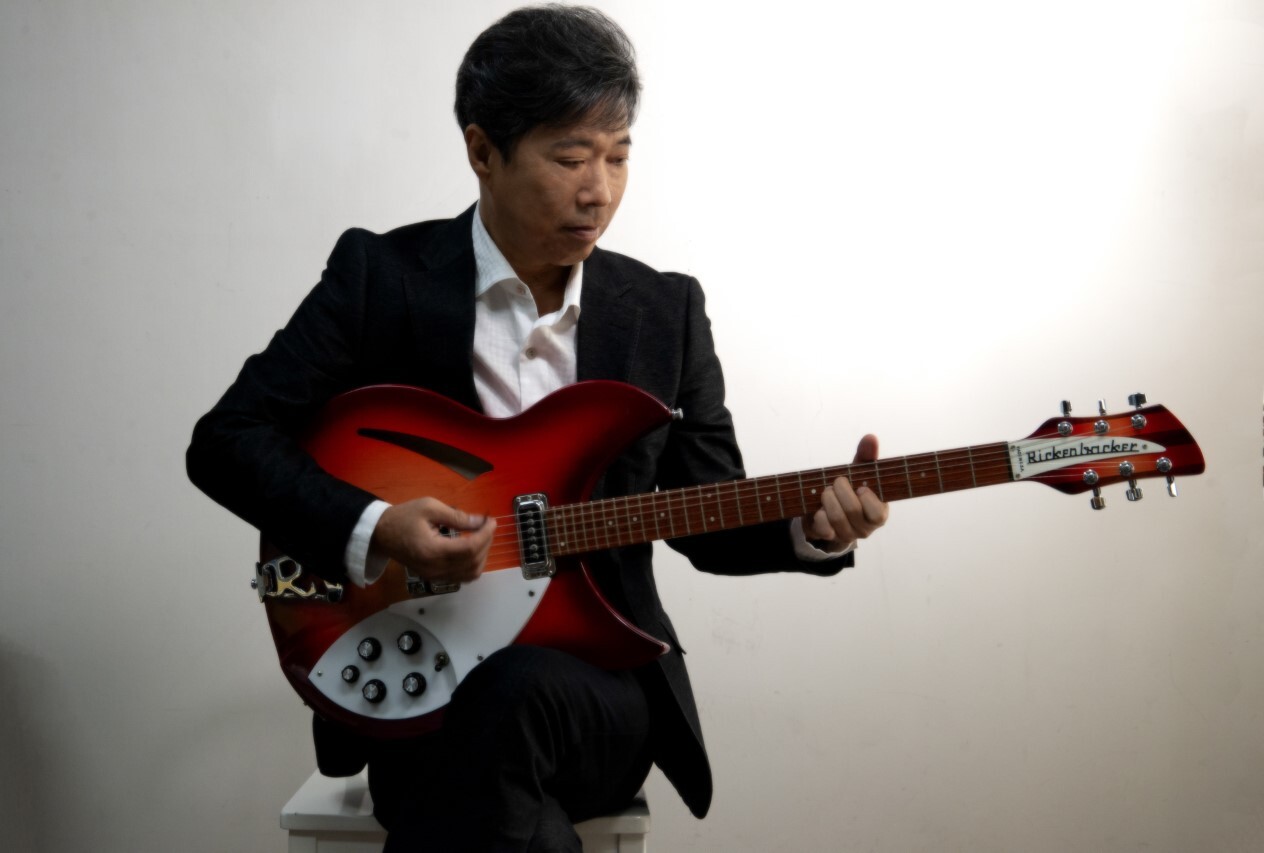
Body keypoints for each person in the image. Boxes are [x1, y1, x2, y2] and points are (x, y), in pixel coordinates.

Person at [187, 5, 888, 851]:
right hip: (419, 686)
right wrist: (378, 528)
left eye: (619, 155)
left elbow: (708, 512)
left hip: (597, 688)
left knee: (509, 703)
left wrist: (810, 528)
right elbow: (227, 440)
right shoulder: (380, 277)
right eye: (571, 157)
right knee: (497, 794)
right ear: (483, 151)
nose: (600, 190)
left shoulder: (664, 311)